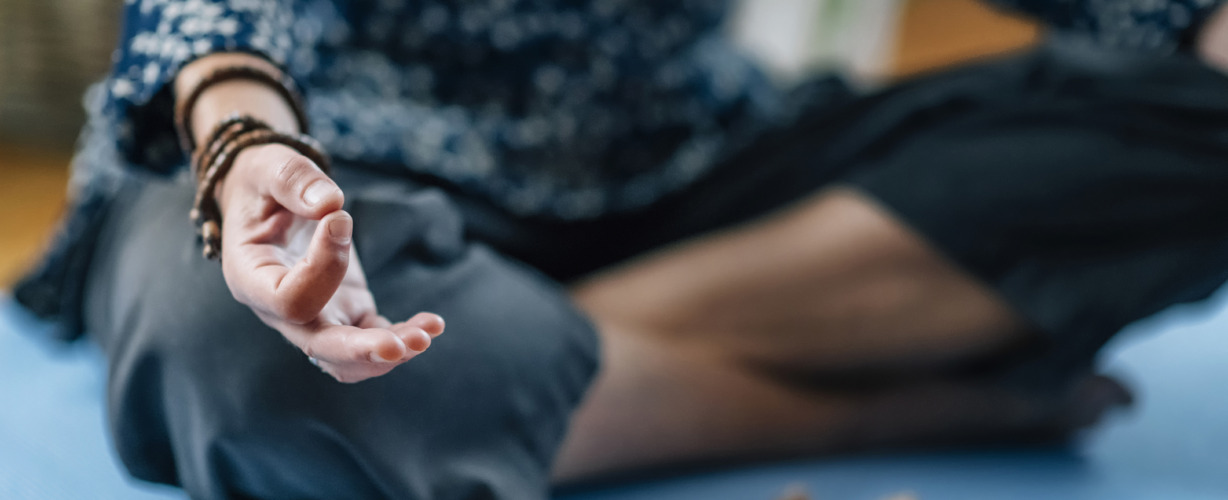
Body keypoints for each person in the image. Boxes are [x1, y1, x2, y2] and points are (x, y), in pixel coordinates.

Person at [15, 0, 1228, 497]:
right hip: (335, 159)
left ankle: (504, 348)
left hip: (695, 163)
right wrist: (241, 135)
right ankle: (875, 396)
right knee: (239, 342)